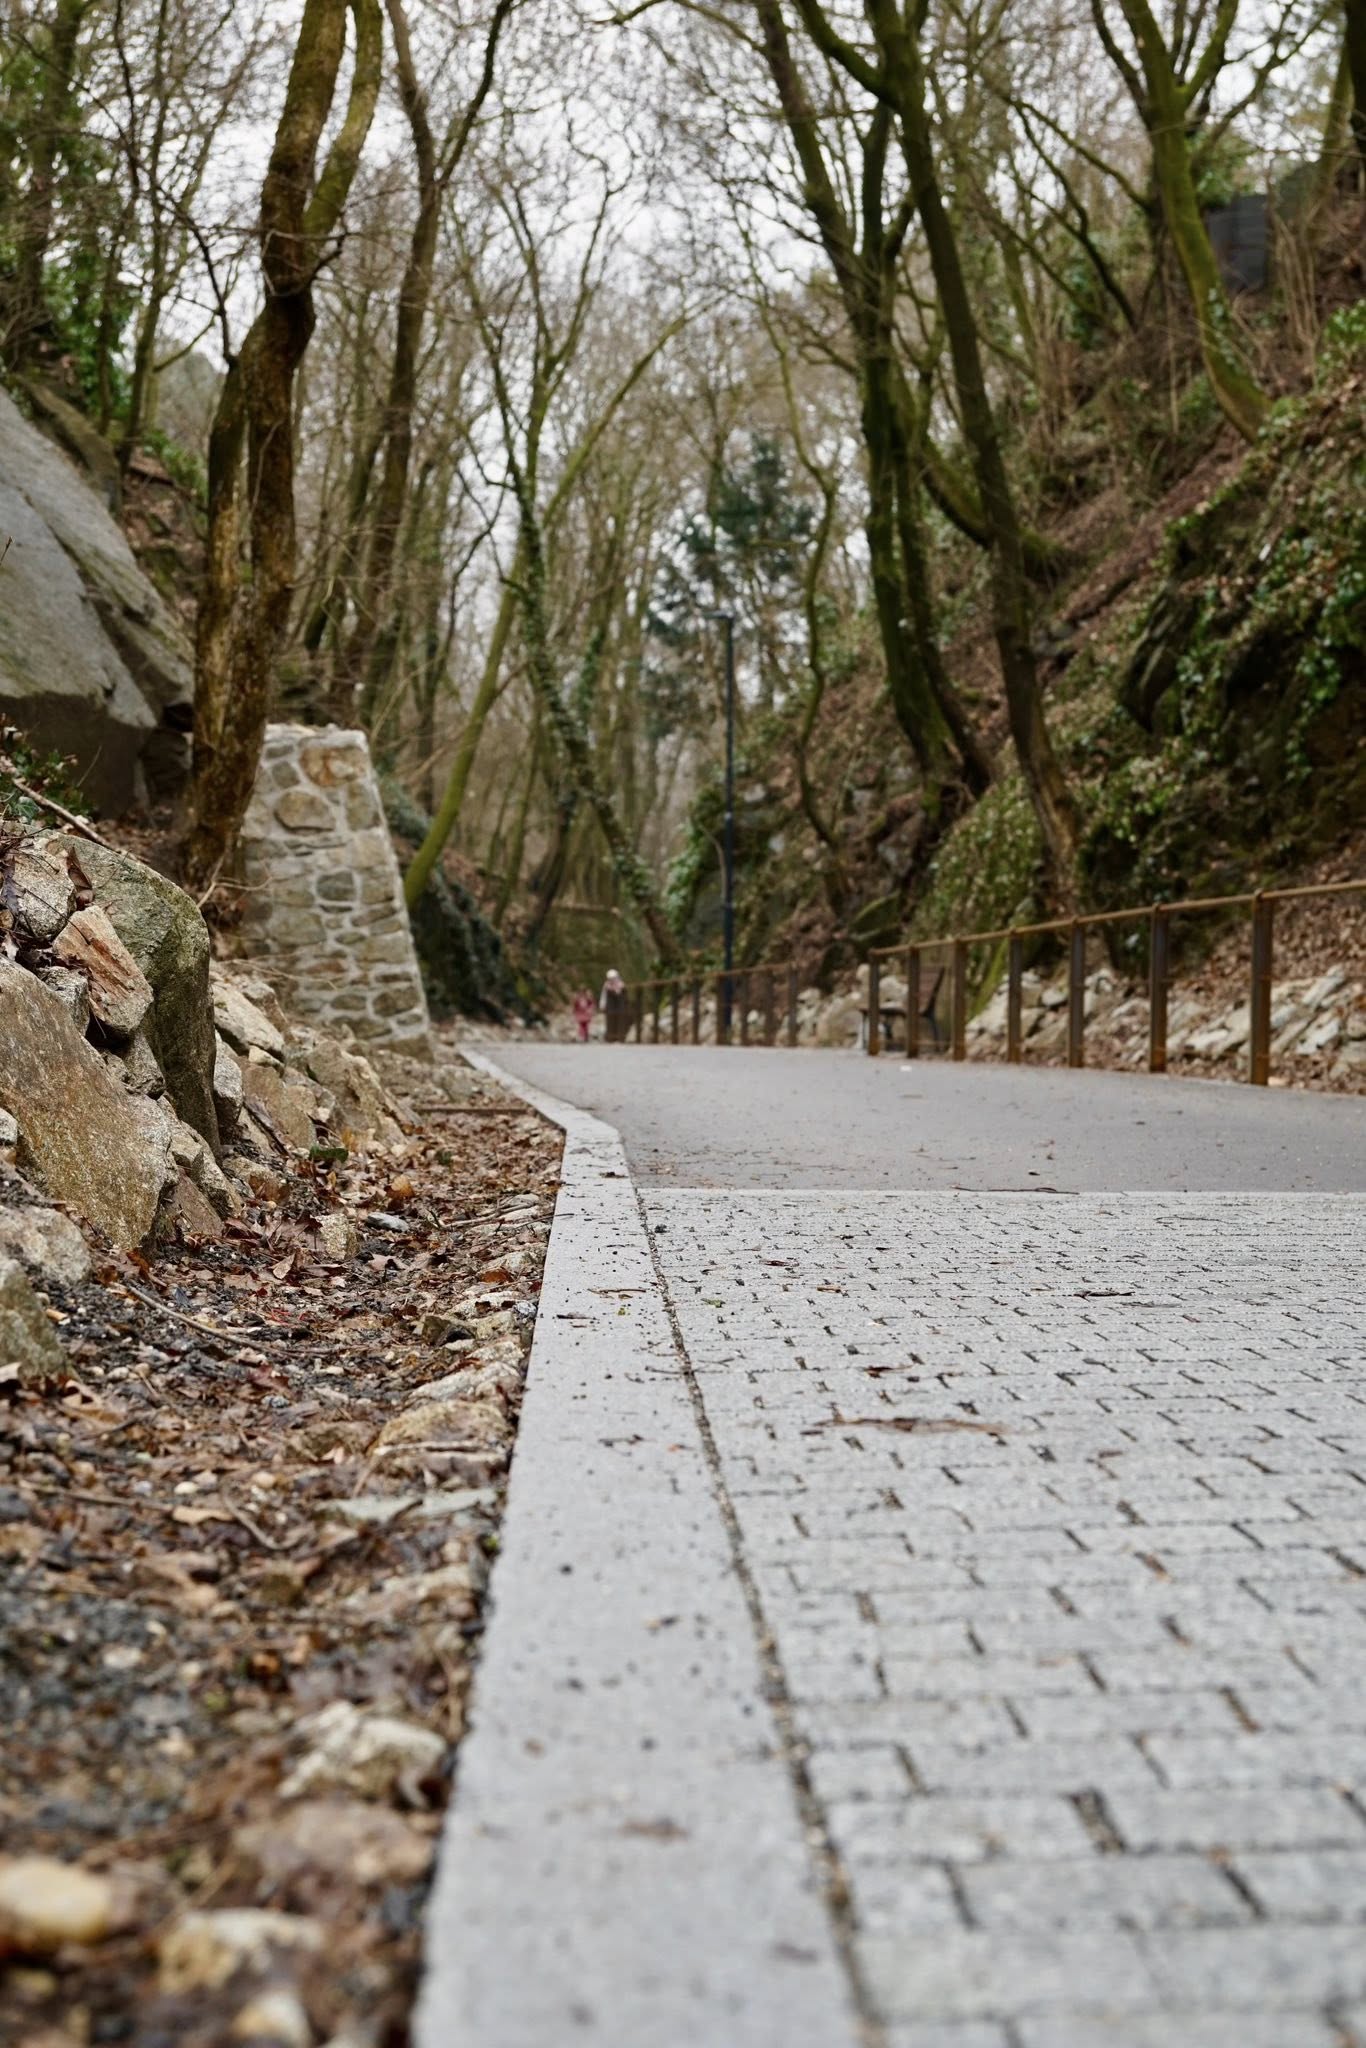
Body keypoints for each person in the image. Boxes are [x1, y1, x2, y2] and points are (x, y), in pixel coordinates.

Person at [600, 967, 628, 1044]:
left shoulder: (622, 985)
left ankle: (620, 1038)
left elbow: (624, 997)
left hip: (620, 1007)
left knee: (620, 1023)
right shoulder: (606, 986)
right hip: (610, 1008)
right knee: (610, 1023)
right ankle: (610, 1038)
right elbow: (603, 996)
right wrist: (602, 1004)